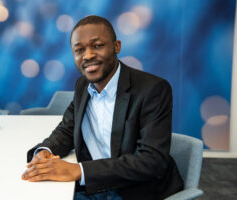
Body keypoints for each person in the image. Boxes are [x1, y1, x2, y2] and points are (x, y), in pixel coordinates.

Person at [21, 15, 183, 200]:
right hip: (96, 186)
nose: (88, 55)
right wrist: (45, 151)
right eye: (79, 50)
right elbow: (67, 129)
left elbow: (151, 162)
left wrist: (79, 171)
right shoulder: (83, 86)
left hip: (136, 191)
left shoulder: (153, 90)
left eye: (97, 46)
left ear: (117, 46)